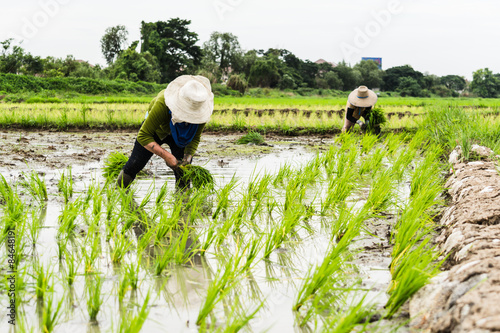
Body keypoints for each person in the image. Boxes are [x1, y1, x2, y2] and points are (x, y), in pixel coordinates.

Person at [117, 75, 214, 190]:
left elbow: (195, 138)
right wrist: (167, 156)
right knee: (134, 164)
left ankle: (183, 203)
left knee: (183, 174)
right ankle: (119, 193)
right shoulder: (163, 102)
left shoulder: (202, 112)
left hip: (181, 136)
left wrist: (188, 157)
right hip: (156, 131)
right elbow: (143, 136)